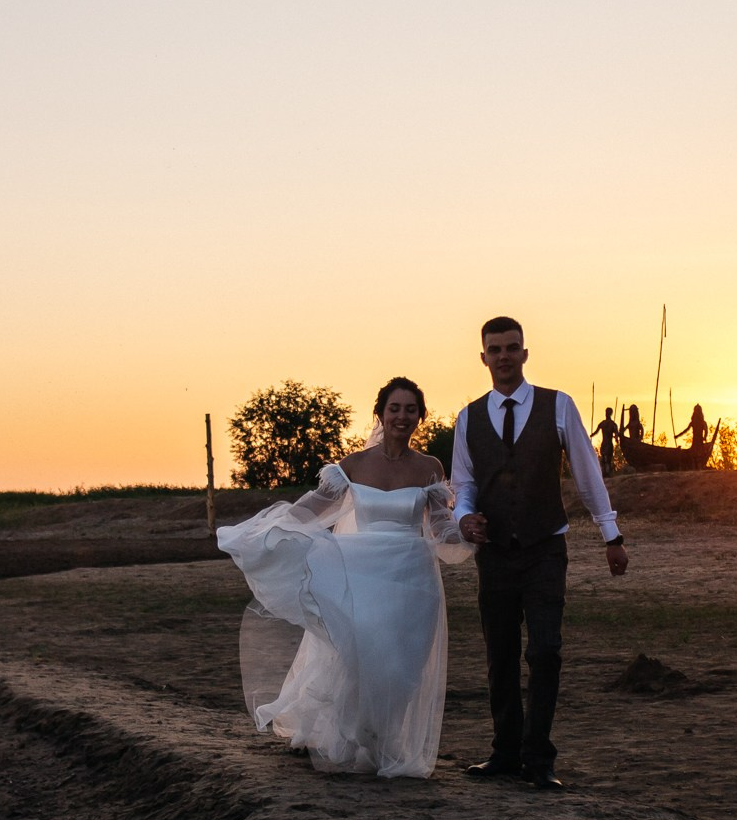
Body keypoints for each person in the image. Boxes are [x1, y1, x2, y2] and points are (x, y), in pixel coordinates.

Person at [215, 377, 473, 777]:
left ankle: (383, 741)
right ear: (380, 413)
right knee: (362, 656)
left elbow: (440, 527)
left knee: (403, 666)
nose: (402, 417)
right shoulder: (351, 466)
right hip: (362, 573)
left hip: (412, 578)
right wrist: (275, 531)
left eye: (410, 410)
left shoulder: (429, 468)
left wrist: (466, 533)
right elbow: (314, 508)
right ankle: (359, 735)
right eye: (395, 408)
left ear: (419, 417)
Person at [451, 317, 628, 791]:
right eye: (495, 349)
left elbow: (588, 474)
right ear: (483, 357)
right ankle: (506, 753)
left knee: (545, 650)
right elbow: (463, 487)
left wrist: (611, 537)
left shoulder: (558, 406)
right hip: (494, 554)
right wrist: (463, 519)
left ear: (525, 354)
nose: (504, 356)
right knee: (500, 654)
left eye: (512, 348)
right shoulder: (468, 418)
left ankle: (539, 757)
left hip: (545, 547)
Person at [594, 406, 621, 473]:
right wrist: (591, 435)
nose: (606, 414)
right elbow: (596, 432)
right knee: (604, 459)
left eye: (608, 412)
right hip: (605, 443)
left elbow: (616, 433)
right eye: (606, 412)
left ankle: (607, 472)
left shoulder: (612, 424)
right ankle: (604, 472)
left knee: (607, 459)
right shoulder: (605, 423)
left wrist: (616, 438)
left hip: (608, 443)